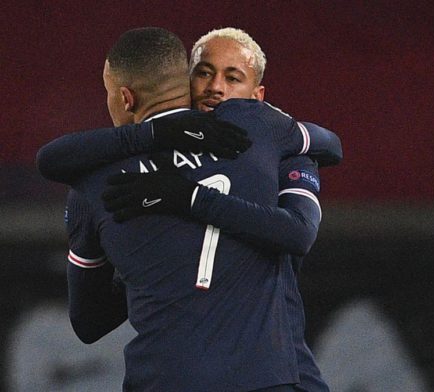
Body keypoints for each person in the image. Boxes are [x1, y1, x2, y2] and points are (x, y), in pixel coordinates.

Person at [44, 26, 335, 391]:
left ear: (125, 98)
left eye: (233, 77)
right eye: (206, 73)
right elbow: (330, 150)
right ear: (187, 81)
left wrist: (146, 267)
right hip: (267, 376)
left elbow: (88, 323)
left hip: (162, 379)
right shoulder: (262, 133)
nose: (217, 88)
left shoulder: (94, 183)